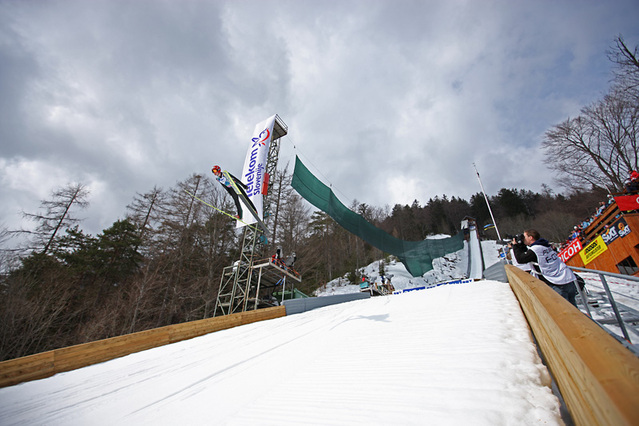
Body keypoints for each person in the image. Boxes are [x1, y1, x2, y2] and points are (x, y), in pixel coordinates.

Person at [512, 229, 579, 307]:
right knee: (574, 308)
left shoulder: (536, 249)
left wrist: (515, 246)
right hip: (566, 278)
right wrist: (521, 245)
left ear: (531, 238)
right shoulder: (545, 245)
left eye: (525, 236)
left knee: (567, 311)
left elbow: (520, 259)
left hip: (557, 282)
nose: (523, 238)